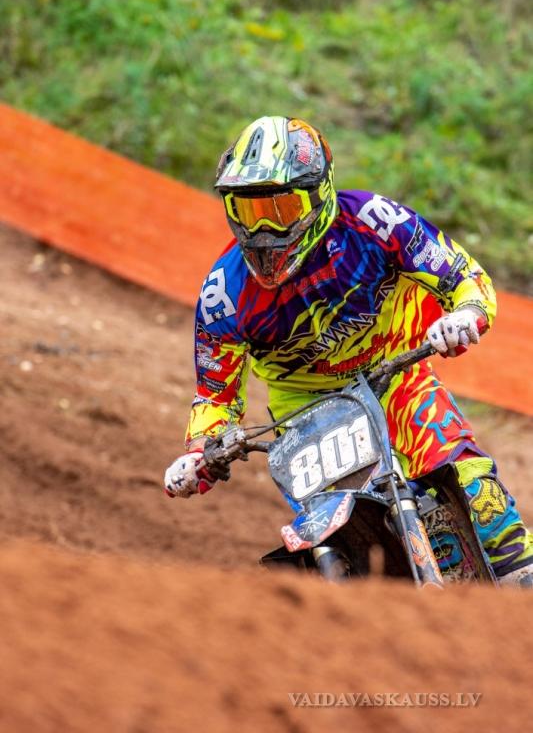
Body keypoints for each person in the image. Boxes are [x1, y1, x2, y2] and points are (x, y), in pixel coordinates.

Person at [164, 115, 533, 587]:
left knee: (478, 494)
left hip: (395, 378)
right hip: (308, 417)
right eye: (247, 210)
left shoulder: (374, 223)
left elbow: (464, 277)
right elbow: (215, 397)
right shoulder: (224, 295)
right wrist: (202, 453)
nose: (263, 229)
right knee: (337, 534)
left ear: (318, 195)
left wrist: (465, 314)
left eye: (280, 208)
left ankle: (520, 589)